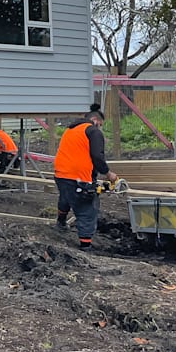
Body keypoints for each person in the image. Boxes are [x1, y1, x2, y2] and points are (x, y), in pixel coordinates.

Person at [52, 104, 118, 249]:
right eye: (99, 124)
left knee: (65, 197)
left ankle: (61, 223)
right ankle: (85, 245)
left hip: (60, 173)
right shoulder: (93, 132)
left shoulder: (70, 130)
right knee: (87, 209)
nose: (99, 127)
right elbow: (97, 156)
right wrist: (108, 173)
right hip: (78, 177)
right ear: (94, 120)